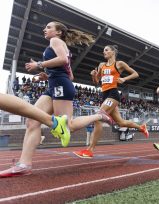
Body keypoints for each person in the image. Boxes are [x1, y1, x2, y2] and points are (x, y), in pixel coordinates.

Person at [0, 21, 111, 177]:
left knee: (69, 126)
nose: (45, 29)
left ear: (58, 32)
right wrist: (48, 75)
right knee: (32, 121)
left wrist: (39, 64)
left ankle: (100, 115)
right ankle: (24, 164)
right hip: (54, 85)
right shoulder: (59, 44)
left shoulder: (55, 41)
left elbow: (63, 61)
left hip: (60, 86)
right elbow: (70, 75)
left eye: (49, 27)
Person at [73, 45, 149, 158]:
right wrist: (94, 76)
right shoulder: (101, 65)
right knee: (121, 123)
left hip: (113, 94)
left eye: (106, 50)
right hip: (104, 95)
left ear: (113, 52)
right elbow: (97, 82)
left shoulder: (119, 64)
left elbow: (135, 74)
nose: (104, 52)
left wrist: (124, 79)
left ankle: (89, 150)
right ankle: (141, 127)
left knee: (99, 118)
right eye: (103, 50)